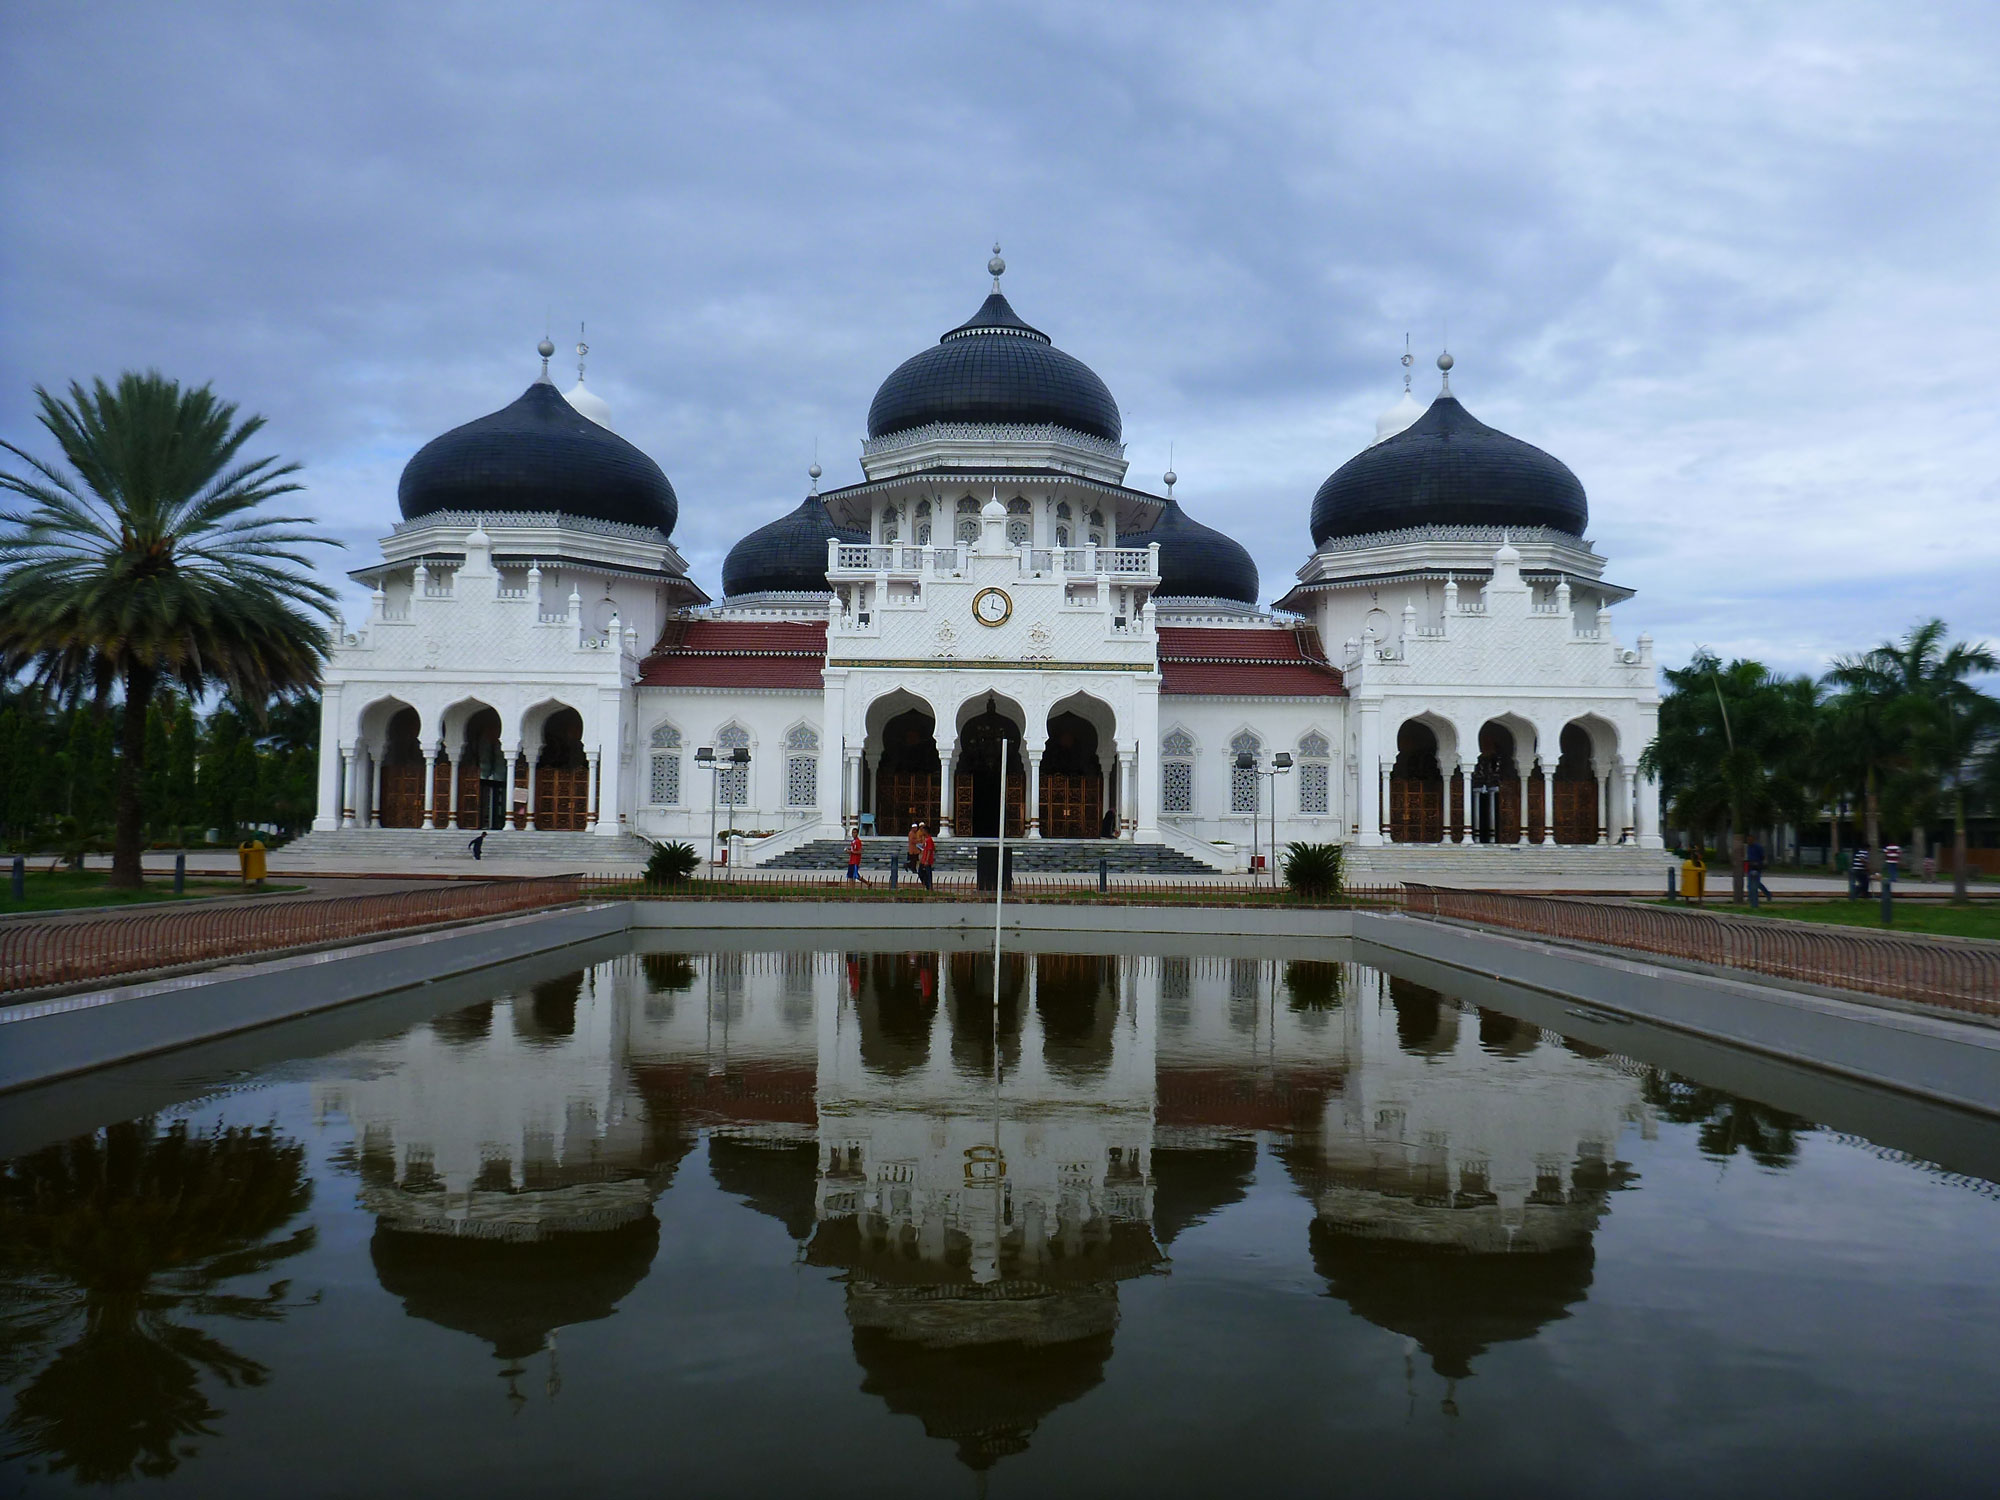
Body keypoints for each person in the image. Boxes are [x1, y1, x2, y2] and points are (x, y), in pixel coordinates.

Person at [1745, 838, 1772, 904]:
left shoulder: (1758, 847)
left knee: (1757, 883)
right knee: (1749, 884)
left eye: (1750, 839)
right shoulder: (1747, 847)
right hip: (1750, 867)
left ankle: (1767, 894)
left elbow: (1762, 856)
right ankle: (1751, 897)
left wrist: (1759, 863)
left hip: (1757, 867)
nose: (1748, 841)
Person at [918, 826, 936, 891]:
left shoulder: (929, 840)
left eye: (923, 831)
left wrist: (927, 860)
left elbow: (929, 850)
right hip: (923, 859)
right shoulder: (925, 839)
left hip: (927, 860)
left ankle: (929, 886)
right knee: (921, 872)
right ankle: (926, 884)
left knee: (928, 873)